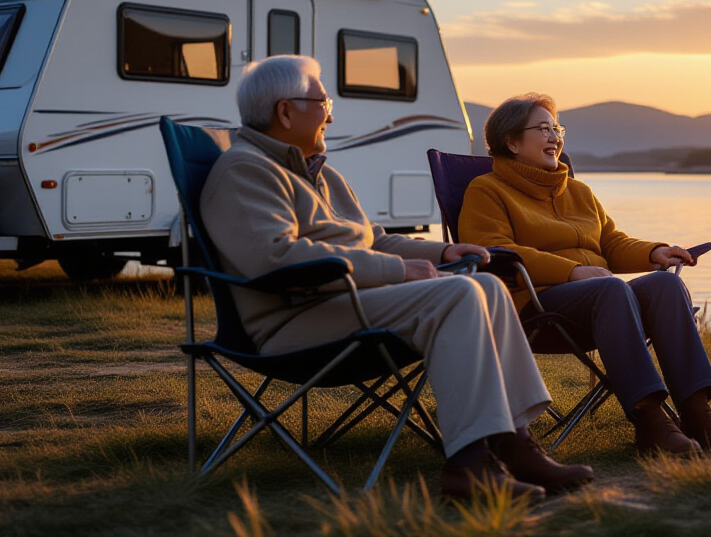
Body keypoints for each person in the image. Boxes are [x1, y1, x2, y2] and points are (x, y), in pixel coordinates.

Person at [200, 56, 592, 500]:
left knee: (487, 284)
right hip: (293, 319)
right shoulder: (247, 170)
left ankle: (514, 443)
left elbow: (374, 239)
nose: (331, 112)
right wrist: (396, 271)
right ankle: (469, 465)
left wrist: (442, 250)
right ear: (285, 111)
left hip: (343, 303)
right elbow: (277, 259)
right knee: (458, 295)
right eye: (323, 100)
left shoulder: (319, 172)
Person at [459, 93, 711, 455]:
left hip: (603, 303)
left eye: (556, 128)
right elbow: (494, 250)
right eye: (543, 129)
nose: (555, 137)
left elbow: (611, 243)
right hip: (535, 307)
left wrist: (654, 252)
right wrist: (573, 271)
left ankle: (699, 418)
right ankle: (651, 422)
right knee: (611, 289)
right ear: (511, 142)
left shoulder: (578, 191)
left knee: (666, 285)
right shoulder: (486, 190)